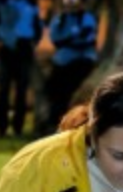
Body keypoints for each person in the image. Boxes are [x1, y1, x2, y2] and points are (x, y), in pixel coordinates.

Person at [0, 0, 44, 138]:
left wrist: (32, 43)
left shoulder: (30, 4)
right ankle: (1, 128)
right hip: (6, 48)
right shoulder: (0, 4)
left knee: (21, 90)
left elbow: (37, 27)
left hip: (24, 49)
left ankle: (18, 127)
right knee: (3, 90)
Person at [43, 0, 98, 135]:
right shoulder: (60, 19)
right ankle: (55, 123)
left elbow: (87, 38)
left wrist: (68, 39)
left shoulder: (87, 18)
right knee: (56, 94)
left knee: (76, 94)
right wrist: (73, 37)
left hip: (82, 61)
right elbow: (56, 39)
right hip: (62, 61)